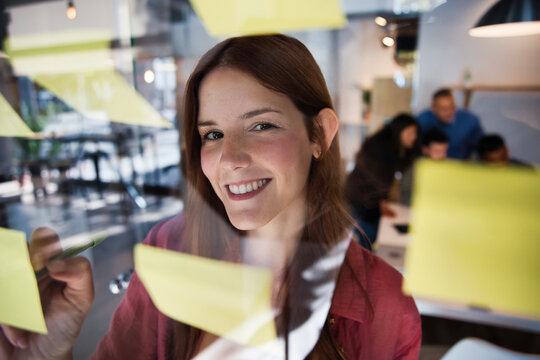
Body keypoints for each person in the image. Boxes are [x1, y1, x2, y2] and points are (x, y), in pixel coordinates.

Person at [1, 35, 421, 360]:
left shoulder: (383, 303)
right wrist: (49, 353)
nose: (230, 160)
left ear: (320, 134)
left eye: (261, 126)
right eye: (213, 135)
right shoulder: (171, 247)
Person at [344, 113, 419, 246]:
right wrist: (383, 202)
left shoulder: (397, 148)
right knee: (365, 237)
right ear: (399, 130)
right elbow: (377, 179)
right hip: (360, 198)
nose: (414, 137)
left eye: (415, 133)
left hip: (370, 199)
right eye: (410, 133)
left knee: (371, 234)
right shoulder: (379, 147)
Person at [417, 88, 483, 159]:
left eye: (452, 107)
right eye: (444, 109)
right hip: (432, 165)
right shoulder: (422, 120)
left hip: (459, 165)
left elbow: (482, 147)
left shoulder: (470, 121)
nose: (449, 112)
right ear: (433, 108)